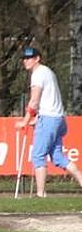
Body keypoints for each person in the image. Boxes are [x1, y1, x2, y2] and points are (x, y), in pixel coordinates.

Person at [15, 47, 82, 197]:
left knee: (38, 155)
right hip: (58, 119)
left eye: (29, 58)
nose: (26, 61)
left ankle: (40, 193)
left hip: (49, 119)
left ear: (37, 58)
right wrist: (36, 118)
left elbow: (34, 101)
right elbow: (49, 99)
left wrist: (25, 121)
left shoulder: (38, 74)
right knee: (58, 157)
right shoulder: (48, 72)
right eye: (24, 58)